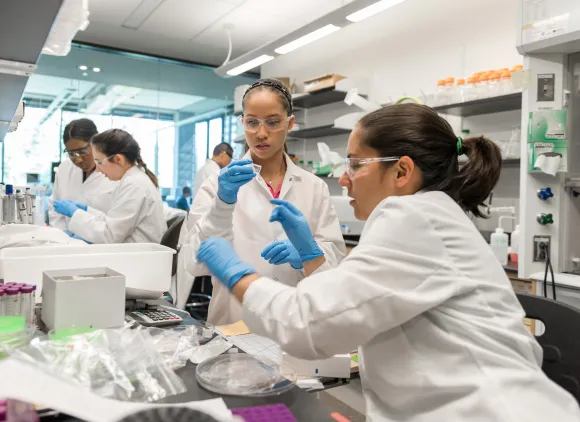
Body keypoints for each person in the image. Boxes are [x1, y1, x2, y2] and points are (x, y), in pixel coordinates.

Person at [195, 104, 580, 421]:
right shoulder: (427, 215)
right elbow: (355, 302)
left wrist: (236, 273)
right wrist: (313, 258)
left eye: (356, 165)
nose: (344, 180)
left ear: (401, 171)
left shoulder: (413, 218)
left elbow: (310, 324)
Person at [183, 78, 346, 324]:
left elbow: (334, 270)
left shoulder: (314, 187)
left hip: (296, 326)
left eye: (272, 122)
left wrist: (308, 253)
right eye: (252, 122)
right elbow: (194, 264)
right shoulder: (216, 185)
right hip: (235, 325)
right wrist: (222, 205)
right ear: (242, 123)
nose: (261, 133)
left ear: (290, 123)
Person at [53, 129, 166, 244]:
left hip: (137, 257)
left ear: (118, 159)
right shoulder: (133, 180)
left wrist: (75, 214)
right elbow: (113, 223)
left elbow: (109, 235)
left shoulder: (134, 185)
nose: (98, 170)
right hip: (134, 254)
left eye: (99, 162)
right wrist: (88, 211)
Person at [49, 118, 117, 230]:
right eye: (71, 154)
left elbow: (116, 221)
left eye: (82, 151)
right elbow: (54, 207)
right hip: (66, 243)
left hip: (101, 244)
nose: (78, 159)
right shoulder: (64, 168)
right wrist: (61, 234)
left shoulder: (115, 173)